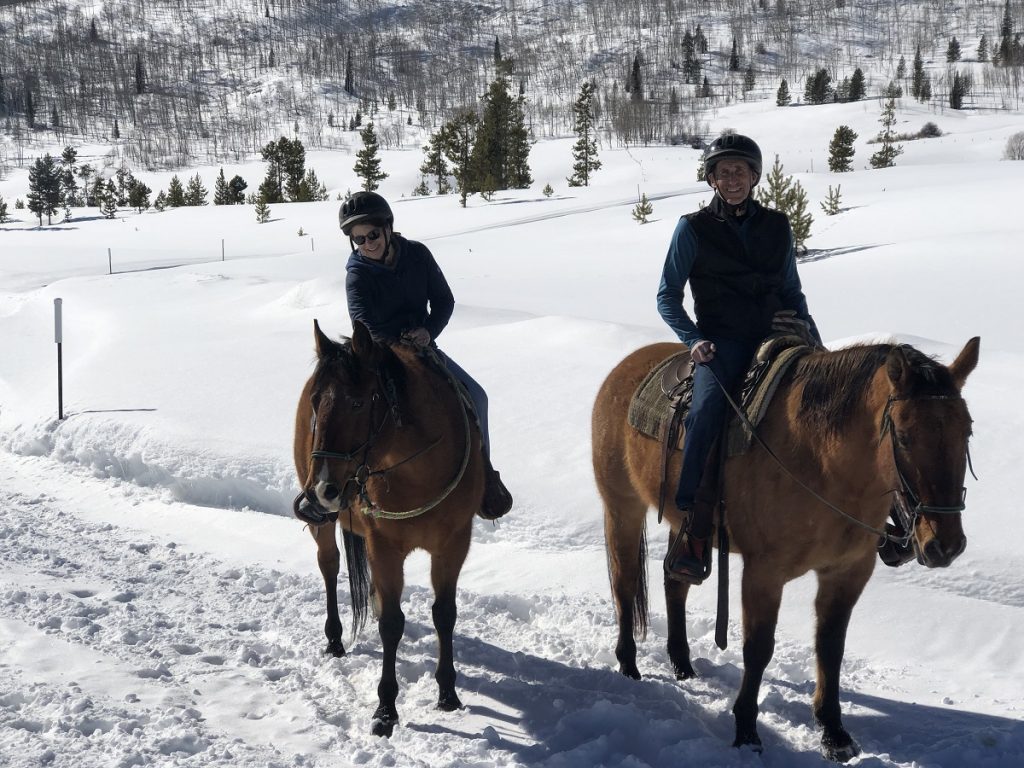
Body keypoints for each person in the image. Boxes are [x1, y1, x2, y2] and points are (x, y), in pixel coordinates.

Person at [656, 133, 822, 583]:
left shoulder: (777, 225)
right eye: (723, 171)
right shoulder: (691, 229)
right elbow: (667, 296)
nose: (733, 179)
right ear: (711, 178)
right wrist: (692, 339)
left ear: (754, 176)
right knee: (708, 409)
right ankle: (693, 519)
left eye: (741, 170)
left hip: (779, 331)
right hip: (723, 340)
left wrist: (812, 337)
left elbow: (791, 289)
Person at [339, 191, 513, 520]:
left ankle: (484, 476)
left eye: (372, 234)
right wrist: (396, 343)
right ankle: (337, 488)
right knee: (348, 410)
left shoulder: (417, 255)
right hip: (380, 355)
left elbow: (444, 301)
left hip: (423, 349)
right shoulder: (357, 274)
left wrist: (428, 332)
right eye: (358, 239)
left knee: (477, 396)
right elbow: (363, 323)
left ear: (388, 229)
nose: (367, 244)